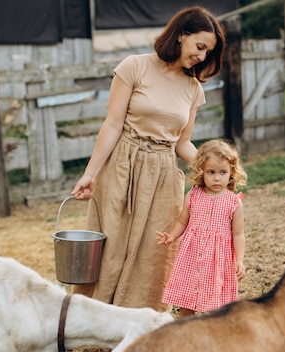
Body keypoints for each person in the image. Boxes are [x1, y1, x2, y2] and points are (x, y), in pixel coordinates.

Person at [69, 6, 226, 311]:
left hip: (163, 173)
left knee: (153, 251)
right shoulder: (134, 67)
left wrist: (214, 170)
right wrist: (90, 174)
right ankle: (92, 318)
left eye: (208, 52)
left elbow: (182, 142)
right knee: (110, 244)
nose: (203, 57)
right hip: (122, 166)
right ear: (181, 36)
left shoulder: (193, 89)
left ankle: (142, 321)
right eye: (200, 47)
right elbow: (113, 124)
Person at [155, 139, 247, 318]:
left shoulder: (233, 202)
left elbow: (238, 234)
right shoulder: (193, 195)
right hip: (192, 255)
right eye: (211, 172)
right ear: (201, 172)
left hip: (217, 260)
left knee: (213, 306)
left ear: (231, 173)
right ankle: (186, 332)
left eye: (223, 172)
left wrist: (240, 260)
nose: (217, 178)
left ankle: (210, 334)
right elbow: (182, 222)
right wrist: (172, 236)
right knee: (186, 302)